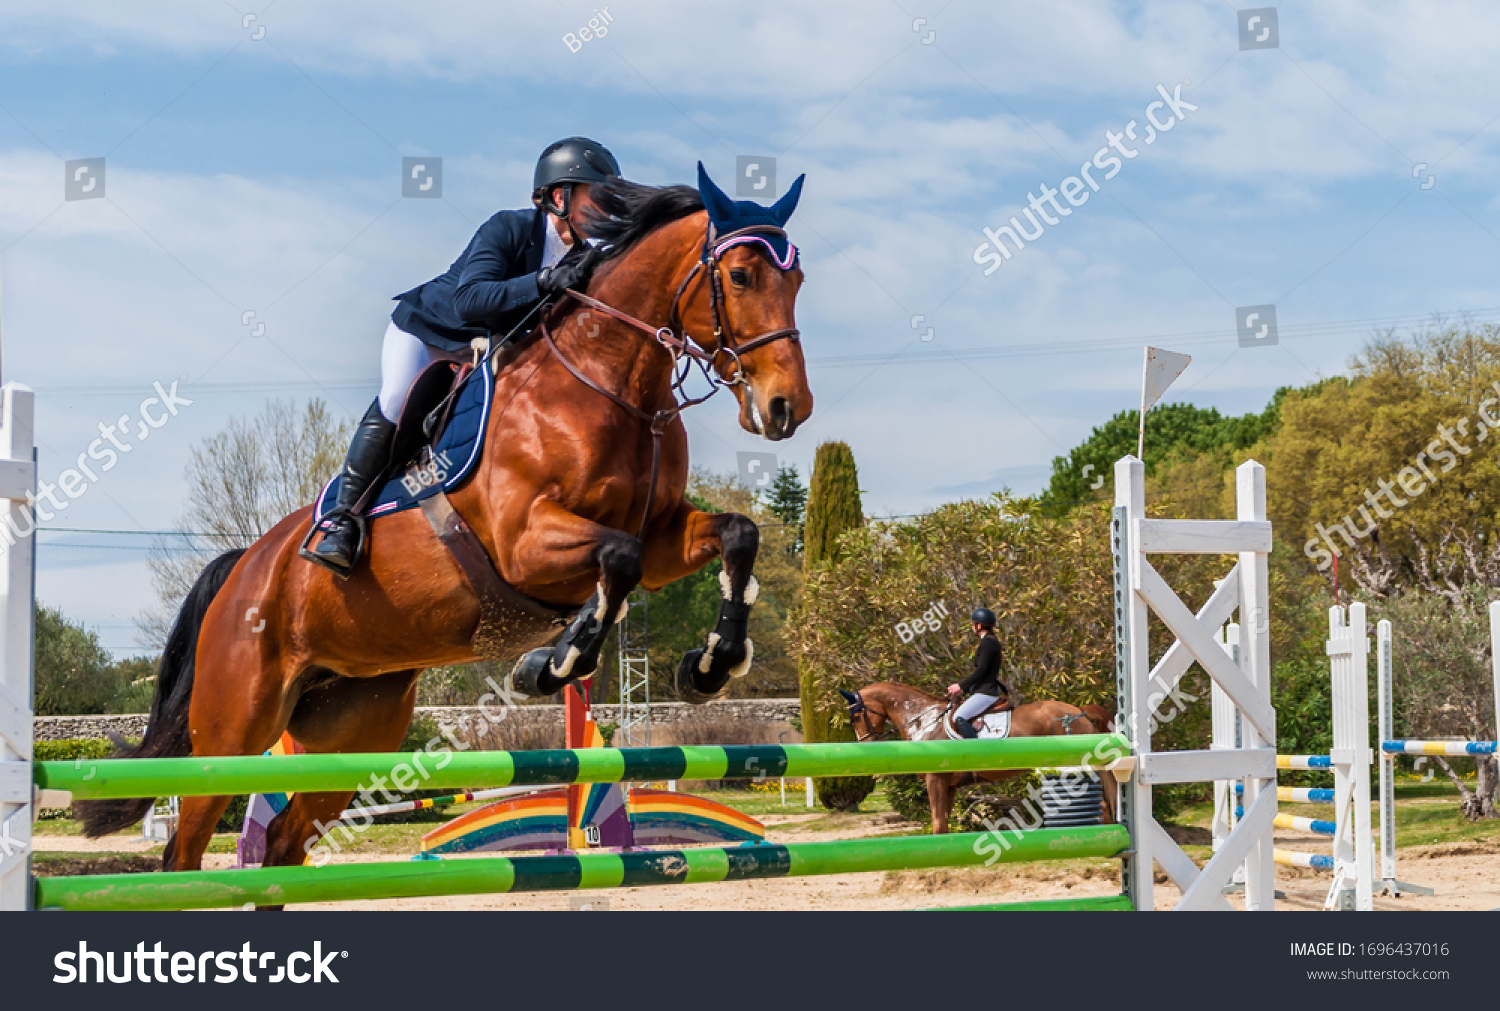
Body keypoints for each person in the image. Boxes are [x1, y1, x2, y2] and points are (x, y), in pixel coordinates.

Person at [306, 137, 621, 576]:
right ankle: (343, 519)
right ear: (558, 196)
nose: (606, 211)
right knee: (398, 400)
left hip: (490, 351)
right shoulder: (508, 228)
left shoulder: (588, 257)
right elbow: (470, 300)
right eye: (597, 198)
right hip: (430, 331)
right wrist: (545, 280)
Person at [946, 607, 1011, 739]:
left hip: (986, 692)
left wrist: (961, 686)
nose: (972, 627)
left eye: (973, 624)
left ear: (979, 625)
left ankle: (977, 752)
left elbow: (981, 670)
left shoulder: (988, 642)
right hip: (982, 690)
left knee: (959, 717)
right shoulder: (989, 641)